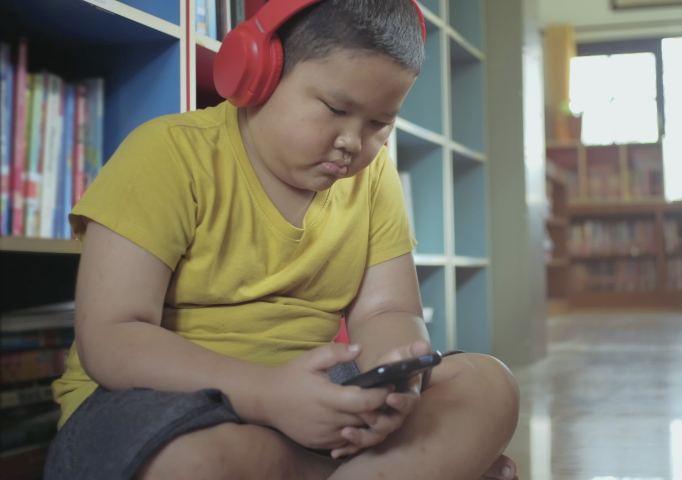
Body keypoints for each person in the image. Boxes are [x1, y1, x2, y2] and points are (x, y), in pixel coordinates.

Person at [43, 0, 520, 478]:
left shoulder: (373, 178)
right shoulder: (167, 153)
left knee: (489, 385)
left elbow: (387, 311)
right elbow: (112, 337)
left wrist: (394, 388)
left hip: (316, 397)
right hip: (164, 400)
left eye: (379, 123)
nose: (354, 142)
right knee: (190, 463)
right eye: (336, 109)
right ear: (260, 72)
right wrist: (266, 394)